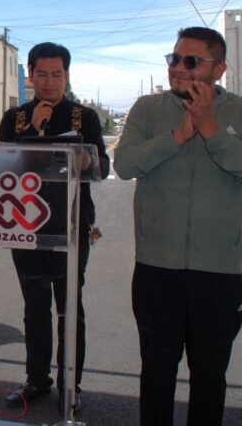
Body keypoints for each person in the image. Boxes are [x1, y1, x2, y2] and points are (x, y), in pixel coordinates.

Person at [114, 27, 242, 426]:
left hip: (222, 272)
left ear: (219, 69)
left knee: (209, 375)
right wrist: (179, 136)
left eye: (192, 61)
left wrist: (209, 129)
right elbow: (124, 164)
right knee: (156, 373)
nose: (179, 68)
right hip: (157, 268)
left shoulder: (238, 112)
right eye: (174, 59)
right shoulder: (147, 109)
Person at [0, 42, 109, 413]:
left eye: (57, 74)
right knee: (34, 306)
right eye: (42, 74)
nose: (49, 82)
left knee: (69, 307)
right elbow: (1, 167)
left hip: (73, 224)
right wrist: (33, 129)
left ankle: (70, 385)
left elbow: (103, 168)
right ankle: (36, 380)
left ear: (67, 75)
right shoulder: (15, 118)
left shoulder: (83, 117)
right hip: (25, 224)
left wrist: (83, 159)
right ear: (30, 75)